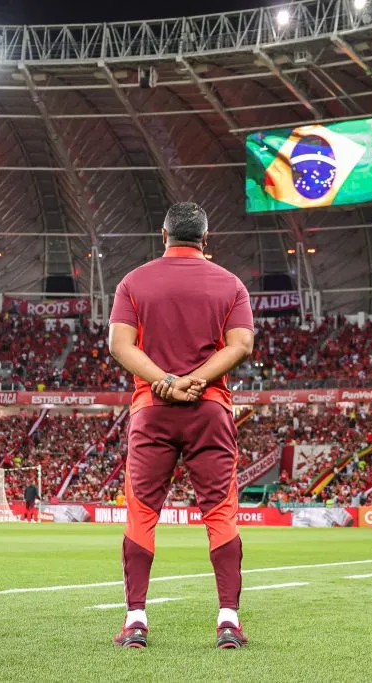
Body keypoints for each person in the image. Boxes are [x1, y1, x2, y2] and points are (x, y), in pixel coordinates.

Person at [107, 202, 255, 650]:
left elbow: (118, 344)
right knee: (220, 512)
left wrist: (164, 382)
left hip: (151, 408)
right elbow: (242, 344)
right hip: (210, 409)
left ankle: (136, 621)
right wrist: (196, 380)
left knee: (142, 514)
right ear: (205, 240)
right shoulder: (231, 284)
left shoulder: (133, 282)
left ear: (164, 234)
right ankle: (228, 620)